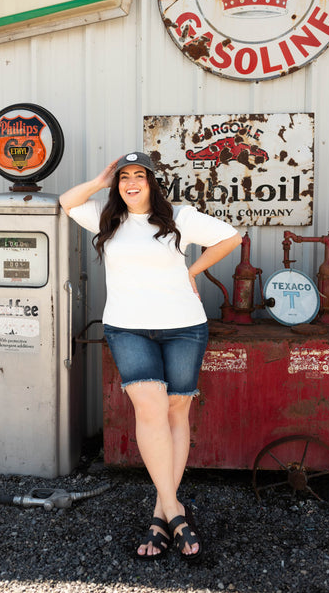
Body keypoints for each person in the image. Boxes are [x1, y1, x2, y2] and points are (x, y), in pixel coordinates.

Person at [59, 151, 241, 562]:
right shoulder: (107, 219)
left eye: (139, 175)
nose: (131, 182)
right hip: (127, 328)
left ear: (153, 183)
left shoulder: (181, 217)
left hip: (183, 328)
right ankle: (177, 512)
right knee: (150, 409)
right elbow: (66, 202)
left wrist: (191, 273)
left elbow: (232, 237)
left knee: (177, 411)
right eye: (124, 177)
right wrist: (99, 179)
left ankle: (161, 515)